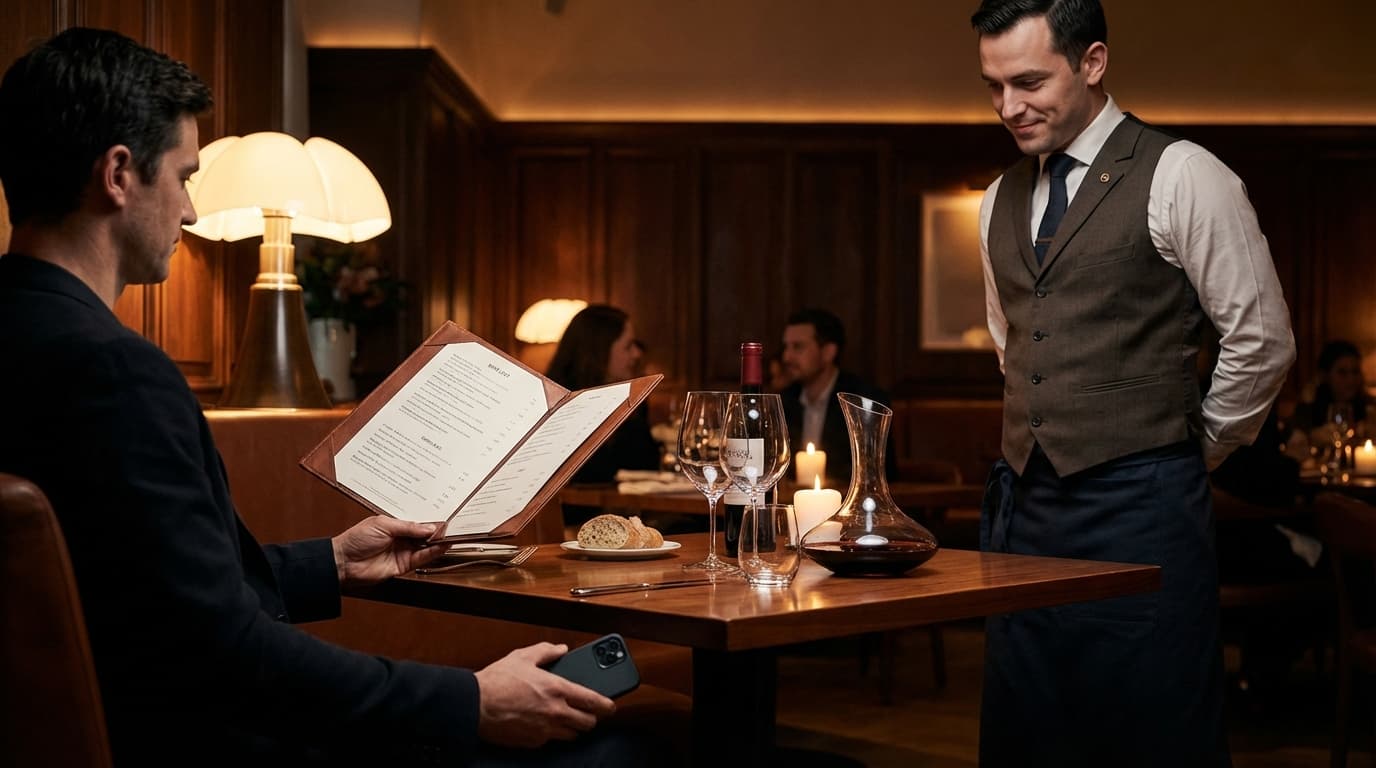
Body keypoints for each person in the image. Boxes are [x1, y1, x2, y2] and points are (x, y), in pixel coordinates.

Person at [0, 28, 649, 767]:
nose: (187, 211)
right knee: (618, 752)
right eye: (184, 176)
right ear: (118, 173)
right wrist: (470, 701)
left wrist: (331, 561)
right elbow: (224, 654)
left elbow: (147, 594)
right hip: (200, 743)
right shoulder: (114, 372)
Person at [970, 1, 1295, 764]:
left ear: (1092, 63)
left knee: (1151, 729)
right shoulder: (996, 199)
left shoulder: (1184, 174)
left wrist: (1186, 449)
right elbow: (1011, 345)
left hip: (1142, 509)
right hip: (1026, 509)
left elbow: (1261, 341)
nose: (1007, 107)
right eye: (991, 85)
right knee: (1031, 728)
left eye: (1027, 81)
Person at [779, 308, 896, 483]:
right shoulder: (785, 400)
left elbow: (876, 475)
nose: (786, 357)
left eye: (798, 347)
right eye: (785, 347)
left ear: (828, 352)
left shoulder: (862, 401)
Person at [546, 304, 660, 484]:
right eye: (628, 346)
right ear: (599, 350)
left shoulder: (632, 398)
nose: (637, 354)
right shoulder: (558, 403)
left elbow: (648, 466)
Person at [1284, 339, 1371, 460]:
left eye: (1355, 372)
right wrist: (1312, 438)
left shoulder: (1369, 408)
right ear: (1325, 375)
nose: (1351, 380)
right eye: (1342, 372)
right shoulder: (1309, 409)